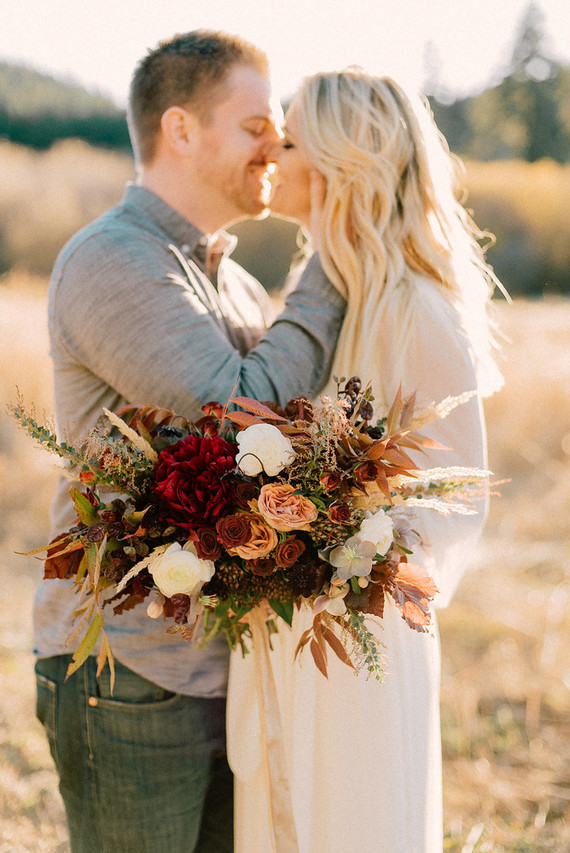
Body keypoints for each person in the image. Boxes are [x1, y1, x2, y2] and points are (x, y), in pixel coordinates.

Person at [33, 32, 346, 853]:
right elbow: (239, 409)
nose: (276, 143)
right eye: (254, 126)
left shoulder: (235, 279)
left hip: (228, 667)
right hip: (130, 671)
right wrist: (335, 253)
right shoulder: (111, 259)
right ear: (180, 129)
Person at [228, 69, 504, 852]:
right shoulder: (324, 295)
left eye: (291, 136)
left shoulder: (415, 307)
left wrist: (329, 534)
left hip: (358, 639)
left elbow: (454, 498)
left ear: (339, 161)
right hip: (285, 626)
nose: (274, 151)